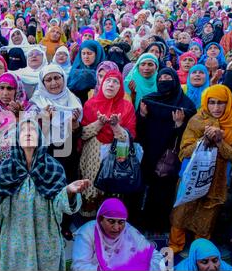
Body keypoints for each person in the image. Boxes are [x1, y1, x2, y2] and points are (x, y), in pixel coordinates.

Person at [0, 119, 91, 270]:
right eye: (23, 131)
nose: (28, 133)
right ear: (16, 138)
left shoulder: (53, 168)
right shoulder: (6, 169)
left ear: (40, 137)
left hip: (44, 245)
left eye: (33, 130)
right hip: (13, 247)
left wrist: (68, 192)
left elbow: (60, 205)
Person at [169, 85, 232, 254]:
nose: (216, 108)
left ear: (229, 103)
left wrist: (219, 142)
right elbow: (184, 151)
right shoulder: (196, 121)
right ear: (205, 102)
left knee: (206, 217)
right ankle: (175, 245)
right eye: (212, 103)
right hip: (192, 178)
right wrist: (204, 140)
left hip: (217, 181)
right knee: (182, 211)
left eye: (221, 103)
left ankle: (200, 250)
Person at [137, 68, 197, 234]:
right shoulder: (150, 100)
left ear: (175, 80)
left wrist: (179, 125)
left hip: (170, 157)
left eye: (168, 77)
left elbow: (190, 134)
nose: (164, 80)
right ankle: (144, 223)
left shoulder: (185, 104)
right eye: (161, 77)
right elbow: (139, 129)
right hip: (149, 154)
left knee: (165, 193)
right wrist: (142, 115)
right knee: (147, 190)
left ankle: (161, 225)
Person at [79, 70, 136, 219]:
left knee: (113, 189)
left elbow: (129, 138)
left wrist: (115, 126)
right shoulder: (91, 104)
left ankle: (110, 221)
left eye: (116, 81)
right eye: (108, 80)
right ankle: (89, 223)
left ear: (120, 87)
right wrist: (99, 123)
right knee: (91, 188)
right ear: (102, 84)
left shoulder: (127, 107)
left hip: (117, 155)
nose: (111, 84)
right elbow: (83, 134)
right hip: (93, 154)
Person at [71, 198, 166, 271]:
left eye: (121, 222)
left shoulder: (128, 229)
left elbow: (155, 255)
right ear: (100, 220)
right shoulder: (87, 233)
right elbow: (79, 266)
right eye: (111, 221)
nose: (116, 228)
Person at [68, 40, 106, 105]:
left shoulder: (104, 70)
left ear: (97, 54)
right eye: (83, 53)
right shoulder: (75, 69)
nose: (86, 57)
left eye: (89, 53)